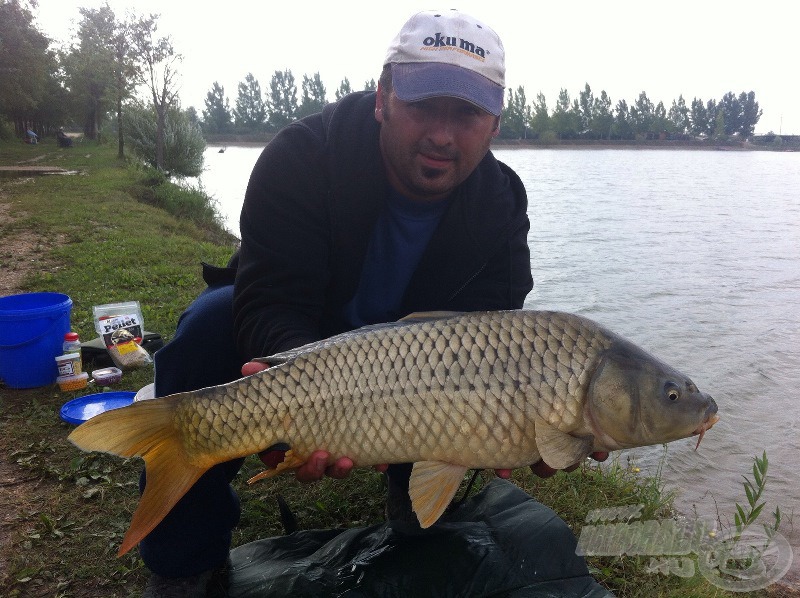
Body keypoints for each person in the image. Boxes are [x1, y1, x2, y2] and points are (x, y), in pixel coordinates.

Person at [142, 9, 608, 597]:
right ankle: (183, 563)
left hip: (426, 373)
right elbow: (270, 299)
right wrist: (307, 397)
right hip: (306, 336)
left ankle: (412, 502)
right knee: (209, 325)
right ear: (384, 98)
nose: (442, 134)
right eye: (423, 105)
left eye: (466, 113)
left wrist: (538, 429)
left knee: (472, 407)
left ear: (493, 123)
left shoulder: (500, 201)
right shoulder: (303, 157)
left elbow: (494, 331)